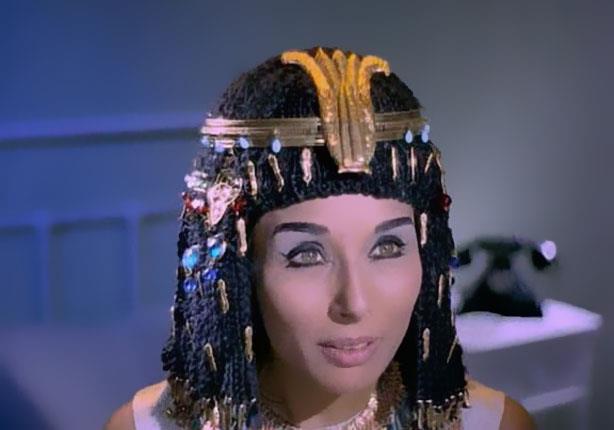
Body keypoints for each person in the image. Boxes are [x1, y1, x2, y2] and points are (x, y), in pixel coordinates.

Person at [105, 46, 535, 429]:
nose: (354, 303)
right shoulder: (145, 426)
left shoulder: (492, 424)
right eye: (307, 255)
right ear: (238, 267)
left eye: (388, 248)